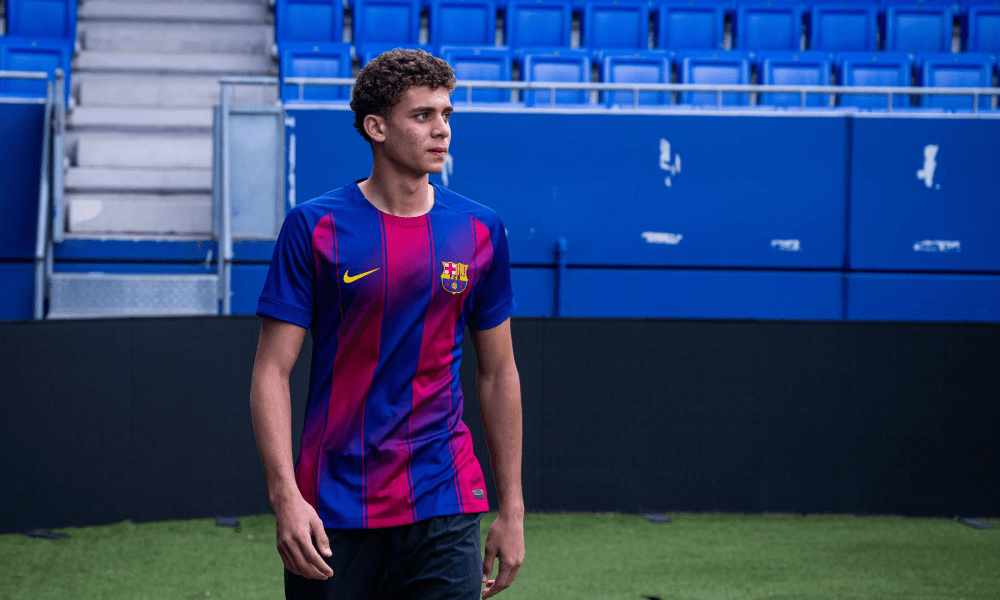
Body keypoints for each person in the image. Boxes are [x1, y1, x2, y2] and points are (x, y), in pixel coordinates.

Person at [250, 48, 524, 600]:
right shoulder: (314, 226)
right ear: (376, 128)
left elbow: (499, 373)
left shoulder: (480, 229)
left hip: (443, 490)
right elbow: (271, 372)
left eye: (446, 114)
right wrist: (285, 496)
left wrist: (512, 508)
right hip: (333, 499)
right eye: (422, 115)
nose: (441, 129)